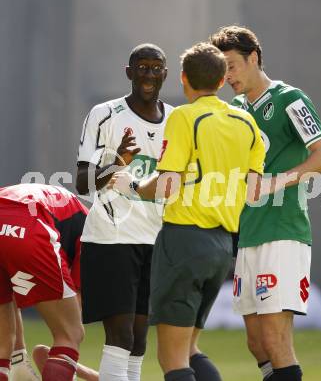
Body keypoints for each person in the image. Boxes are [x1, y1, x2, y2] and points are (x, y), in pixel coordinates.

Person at [109, 42, 266, 381]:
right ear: (223, 79)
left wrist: (130, 185)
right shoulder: (247, 122)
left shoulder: (184, 116)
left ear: (182, 78)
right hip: (224, 248)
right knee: (191, 350)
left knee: (173, 359)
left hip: (184, 242)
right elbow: (254, 189)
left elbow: (166, 185)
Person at [210, 26, 321, 381]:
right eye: (222, 70)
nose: (228, 77)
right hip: (247, 233)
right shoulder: (233, 109)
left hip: (282, 231)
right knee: (256, 343)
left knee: (274, 339)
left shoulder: (289, 99)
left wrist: (273, 184)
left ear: (253, 58)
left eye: (232, 66)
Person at [76, 43, 173, 381]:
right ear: (129, 73)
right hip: (111, 237)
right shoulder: (104, 114)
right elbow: (82, 182)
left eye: (156, 67)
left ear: (165, 73)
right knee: (121, 337)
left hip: (156, 239)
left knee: (140, 341)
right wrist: (117, 162)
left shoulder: (176, 120)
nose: (149, 74)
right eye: (142, 68)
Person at [0, 183, 88, 381]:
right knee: (70, 334)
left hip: (9, 210)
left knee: (1, 351)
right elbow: (77, 300)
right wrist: (66, 360)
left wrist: (20, 357)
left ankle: (17, 364)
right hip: (29, 222)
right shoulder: (96, 234)